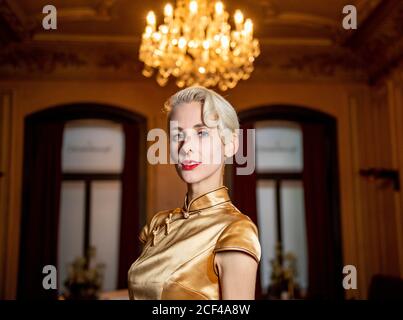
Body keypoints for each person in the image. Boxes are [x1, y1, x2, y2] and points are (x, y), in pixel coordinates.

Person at [128, 86, 261, 299]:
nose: (185, 147)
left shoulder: (235, 230)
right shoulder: (158, 225)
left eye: (202, 133)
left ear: (231, 145)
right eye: (177, 135)